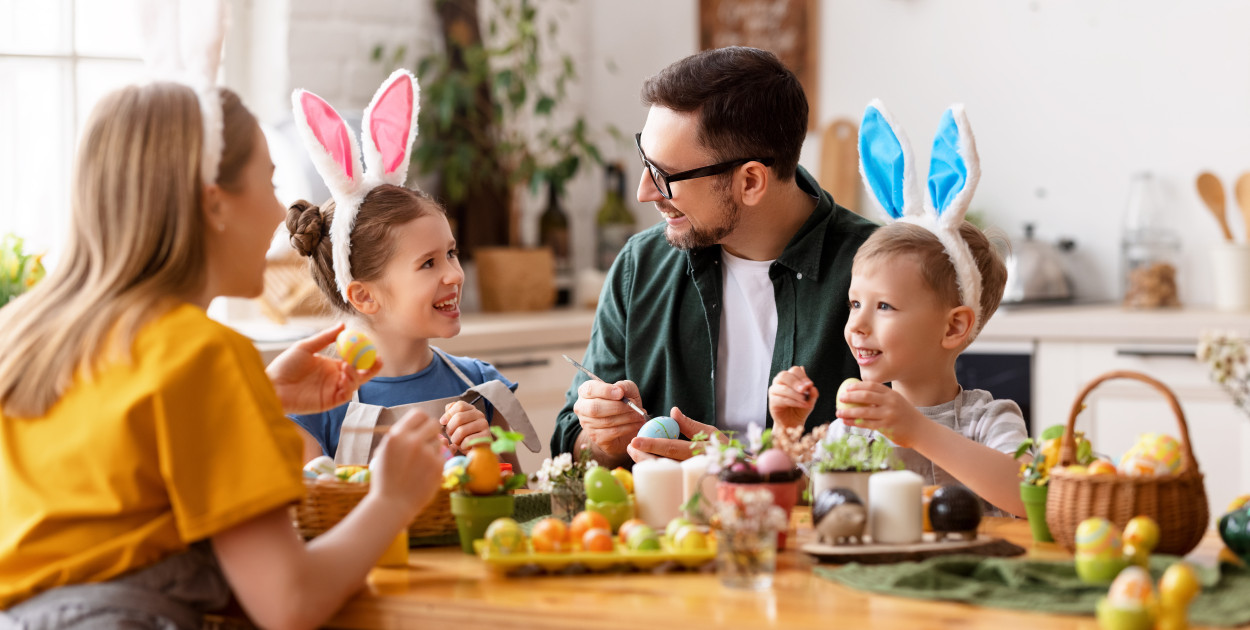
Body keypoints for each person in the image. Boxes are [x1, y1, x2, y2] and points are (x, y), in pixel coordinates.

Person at [0, 81, 444, 628]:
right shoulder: (201, 355)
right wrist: (391, 499)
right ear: (216, 204)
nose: (282, 214)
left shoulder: (23, 335)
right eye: (270, 184)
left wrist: (256, 396)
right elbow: (289, 602)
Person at [550, 46, 878, 467]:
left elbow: (915, 448)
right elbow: (568, 442)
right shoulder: (641, 266)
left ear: (751, 181)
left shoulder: (878, 270)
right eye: (645, 161)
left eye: (666, 175)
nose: (644, 192)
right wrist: (603, 439)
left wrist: (739, 464)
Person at [768, 101, 1028, 517]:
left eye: (884, 306)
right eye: (855, 304)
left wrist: (916, 430)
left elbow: (1029, 496)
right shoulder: (854, 427)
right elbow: (797, 499)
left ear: (954, 327)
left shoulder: (988, 419)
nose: (856, 325)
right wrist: (787, 430)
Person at [285, 70, 535, 471]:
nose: (454, 274)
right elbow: (311, 524)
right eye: (429, 263)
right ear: (364, 295)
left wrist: (488, 454)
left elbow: (519, 508)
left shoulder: (481, 386)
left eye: (451, 254)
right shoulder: (314, 405)